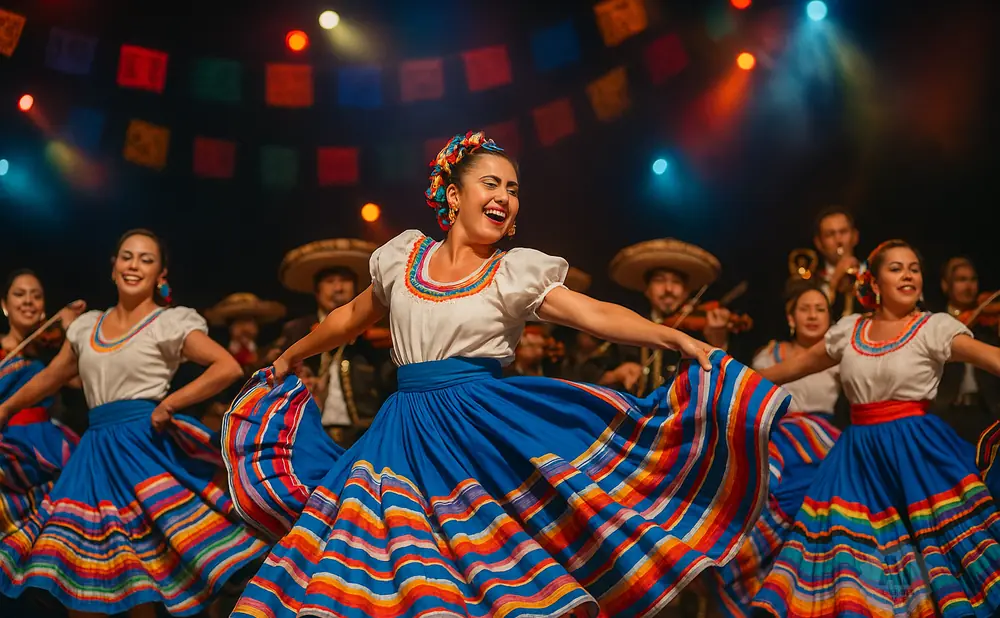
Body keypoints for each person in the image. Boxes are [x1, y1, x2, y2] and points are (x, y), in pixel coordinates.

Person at [221, 131, 790, 618]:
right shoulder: (401, 259)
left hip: (479, 434)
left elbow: (593, 313)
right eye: (492, 183)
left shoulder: (513, 274)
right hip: (400, 436)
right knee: (389, 569)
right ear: (454, 195)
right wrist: (288, 355)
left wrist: (676, 336)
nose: (505, 197)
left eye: (513, 189)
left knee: (486, 576)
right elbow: (348, 317)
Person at [0, 230, 269, 617]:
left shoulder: (168, 322)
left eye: (146, 259)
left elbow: (226, 366)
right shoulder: (87, 325)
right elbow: (54, 375)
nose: (134, 265)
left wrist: (171, 403)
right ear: (113, 267)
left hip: (141, 452)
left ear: (161, 274)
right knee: (84, 578)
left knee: (138, 585)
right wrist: (6, 408)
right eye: (127, 257)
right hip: (92, 458)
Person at [752, 239, 1000, 617]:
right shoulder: (849, 331)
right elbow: (788, 370)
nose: (908, 275)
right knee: (854, 560)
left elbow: (992, 359)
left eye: (914, 268)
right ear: (874, 281)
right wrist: (727, 377)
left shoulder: (934, 327)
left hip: (918, 455)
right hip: (856, 460)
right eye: (896, 268)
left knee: (937, 557)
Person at [707, 280, 842, 616]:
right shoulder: (771, 354)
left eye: (820, 309)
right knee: (757, 495)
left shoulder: (840, 357)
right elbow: (752, 399)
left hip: (823, 447)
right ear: (791, 317)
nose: (813, 315)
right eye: (805, 308)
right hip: (780, 442)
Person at [267, 238, 392, 447]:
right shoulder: (297, 330)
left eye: (344, 280)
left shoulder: (378, 332)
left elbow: (389, 380)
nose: (338, 287)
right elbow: (274, 369)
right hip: (306, 431)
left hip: (365, 432)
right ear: (317, 291)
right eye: (330, 281)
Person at [0, 269, 82, 551]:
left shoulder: (53, 354)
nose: (28, 302)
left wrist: (72, 330)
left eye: (36, 296)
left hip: (47, 445)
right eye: (19, 294)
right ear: (5, 305)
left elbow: (81, 380)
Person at [606, 238, 734, 395]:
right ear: (647, 289)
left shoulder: (699, 329)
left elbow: (726, 385)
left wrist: (718, 342)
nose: (668, 288)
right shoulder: (628, 326)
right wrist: (616, 374)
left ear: (687, 291)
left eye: (676, 282)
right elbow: (591, 377)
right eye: (659, 281)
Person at [933, 257, 1000, 444]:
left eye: (972, 279)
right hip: (946, 412)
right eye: (961, 280)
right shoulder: (935, 322)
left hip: (987, 412)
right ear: (946, 285)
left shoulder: (987, 323)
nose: (969, 286)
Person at [810, 206, 861, 318]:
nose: (838, 240)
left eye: (843, 232)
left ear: (855, 236)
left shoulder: (873, 274)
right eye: (830, 234)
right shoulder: (810, 283)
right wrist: (835, 280)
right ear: (819, 243)